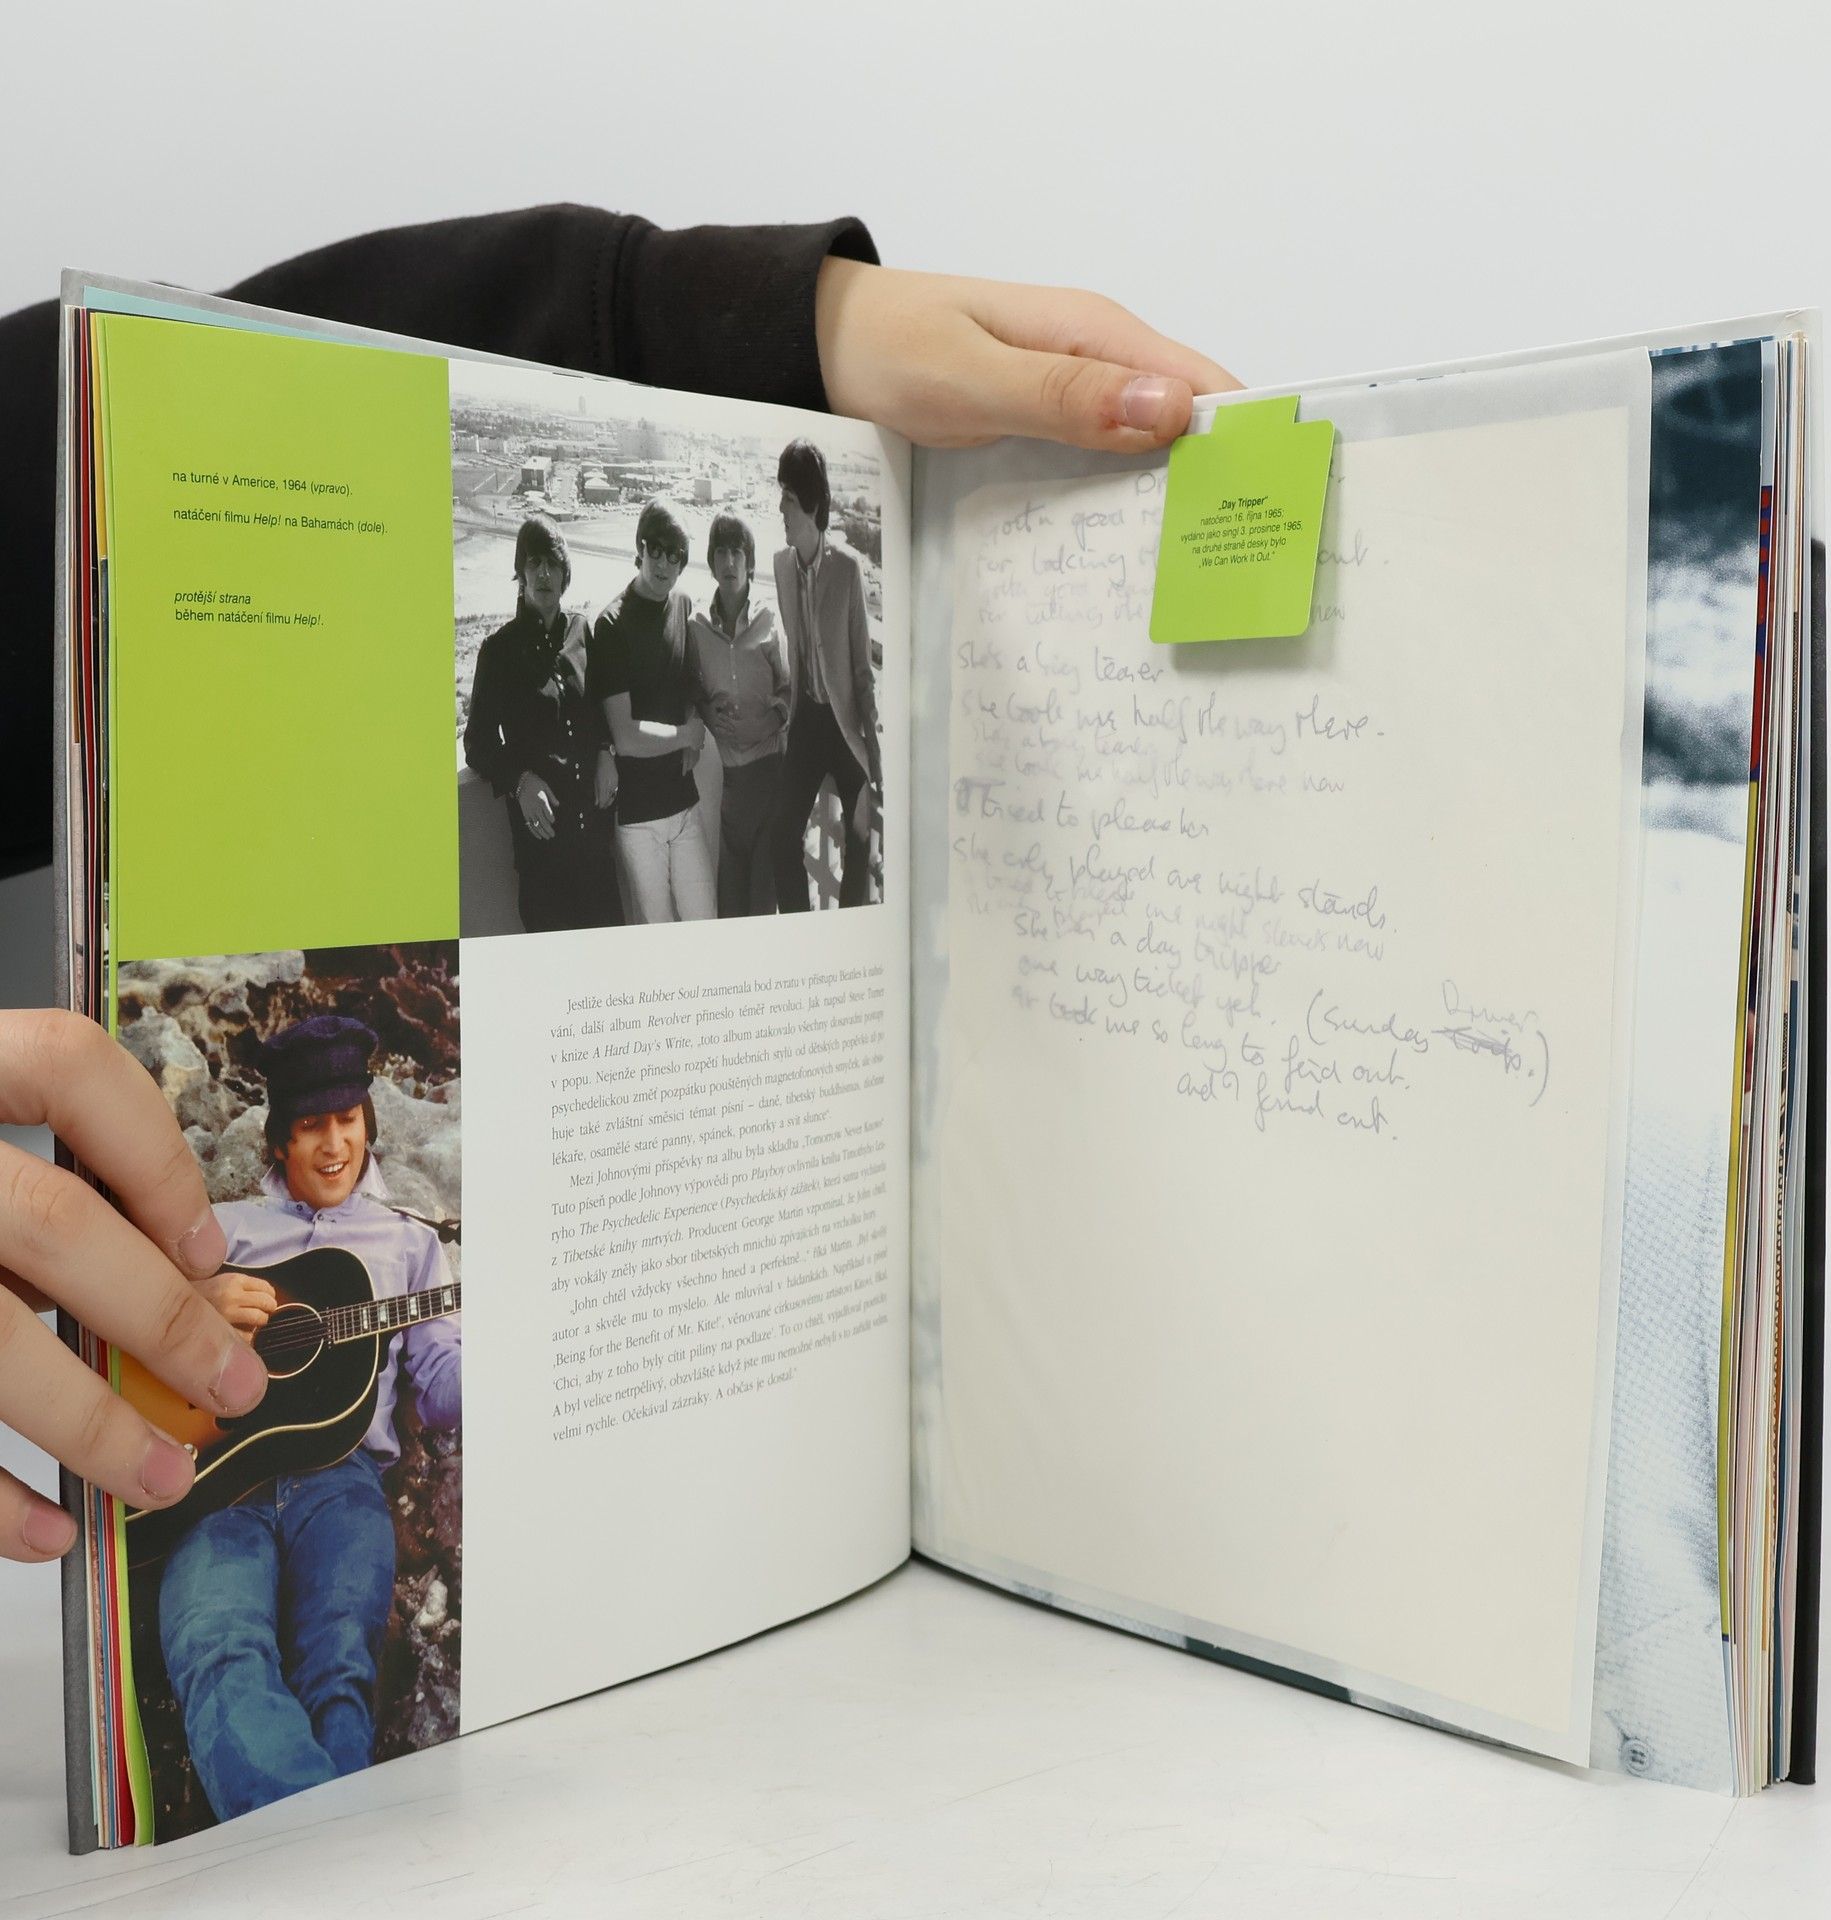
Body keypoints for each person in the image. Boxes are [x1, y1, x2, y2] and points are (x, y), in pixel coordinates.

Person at [0, 208, 1236, 1568]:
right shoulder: (547, 649)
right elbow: (511, 723)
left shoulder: (382, 1239)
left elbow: (165, 399)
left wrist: (737, 318)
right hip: (586, 836)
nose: (336, 1144)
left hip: (650, 816)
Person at [158, 1015, 461, 1820]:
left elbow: (440, 1384)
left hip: (342, 1479)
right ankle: (321, 1849)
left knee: (339, 1667)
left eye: (348, 1119)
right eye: (311, 1125)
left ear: (369, 1122)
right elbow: (123, 1320)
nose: (334, 1145)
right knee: (218, 1648)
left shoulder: (409, 1244)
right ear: (277, 1140)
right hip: (216, 1484)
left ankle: (319, 1856)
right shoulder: (225, 1232)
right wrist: (192, 1300)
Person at [463, 513, 623, 933]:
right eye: (534, 563)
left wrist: (606, 751)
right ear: (521, 573)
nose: (544, 573)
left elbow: (598, 707)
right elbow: (476, 742)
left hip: (594, 844)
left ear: (565, 573)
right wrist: (519, 781)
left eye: (553, 563)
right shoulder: (498, 651)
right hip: (543, 854)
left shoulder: (581, 632)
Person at [587, 500, 715, 924]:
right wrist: (687, 736)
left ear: (682, 562)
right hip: (639, 819)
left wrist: (695, 715)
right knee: (661, 940)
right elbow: (625, 736)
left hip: (685, 804)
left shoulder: (682, 604)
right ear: (640, 548)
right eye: (654, 549)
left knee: (705, 927)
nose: (662, 563)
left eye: (673, 554)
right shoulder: (611, 625)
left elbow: (690, 679)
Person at [770, 440, 879, 909]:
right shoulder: (781, 567)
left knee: (860, 838)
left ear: (813, 506)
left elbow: (861, 670)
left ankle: (848, 929)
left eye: (789, 498)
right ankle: (802, 929)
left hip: (844, 725)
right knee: (781, 836)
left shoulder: (848, 571)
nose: (781, 508)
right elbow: (796, 655)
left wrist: (872, 749)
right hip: (808, 722)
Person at [687, 511, 789, 916]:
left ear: (750, 562)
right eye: (721, 553)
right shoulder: (696, 627)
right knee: (729, 910)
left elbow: (791, 691)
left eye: (738, 553)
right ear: (711, 562)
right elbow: (690, 687)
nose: (729, 562)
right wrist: (706, 712)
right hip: (730, 791)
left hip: (771, 783)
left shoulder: (769, 622)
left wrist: (764, 724)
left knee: (762, 911)